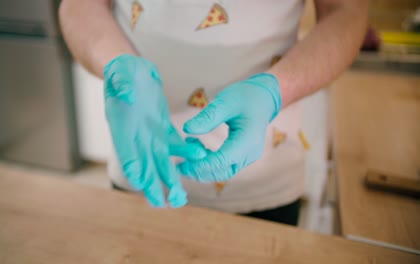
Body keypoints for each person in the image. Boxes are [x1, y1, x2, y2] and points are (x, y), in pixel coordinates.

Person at [59, 0, 368, 226]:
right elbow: (79, 5)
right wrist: (116, 65)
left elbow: (346, 12)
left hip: (264, 182)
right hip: (141, 166)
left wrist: (275, 91)